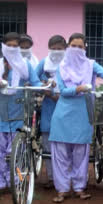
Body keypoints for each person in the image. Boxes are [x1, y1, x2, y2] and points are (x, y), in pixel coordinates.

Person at [48, 33, 103, 202]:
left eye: (80, 47)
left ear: (85, 48)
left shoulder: (90, 65)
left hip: (83, 114)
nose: (77, 49)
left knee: (81, 153)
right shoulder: (60, 67)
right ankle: (62, 189)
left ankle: (79, 187)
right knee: (60, 153)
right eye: (73, 46)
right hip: (62, 115)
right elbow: (62, 90)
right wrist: (78, 89)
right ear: (68, 47)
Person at [0, 32, 42, 201]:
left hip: (18, 111)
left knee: (18, 151)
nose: (12, 48)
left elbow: (36, 83)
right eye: (9, 45)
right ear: (3, 47)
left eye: (15, 46)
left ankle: (17, 182)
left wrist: (40, 86)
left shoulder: (25, 65)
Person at [34, 34, 67, 188]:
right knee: (48, 141)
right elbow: (32, 78)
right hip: (49, 106)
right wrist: (43, 85)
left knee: (65, 142)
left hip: (67, 105)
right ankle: (52, 178)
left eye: (59, 49)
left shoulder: (69, 64)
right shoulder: (43, 63)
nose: (56, 52)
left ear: (65, 49)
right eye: (53, 49)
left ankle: (65, 178)